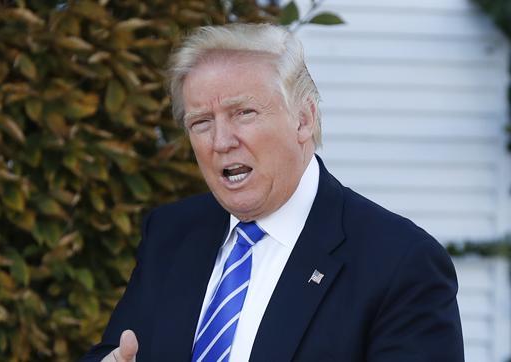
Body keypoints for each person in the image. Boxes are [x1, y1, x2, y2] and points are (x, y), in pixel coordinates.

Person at [82, 23, 464, 362]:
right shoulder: (171, 232)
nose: (221, 141)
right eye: (201, 122)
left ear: (304, 119)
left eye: (243, 113)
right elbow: (117, 350)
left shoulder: (402, 262)